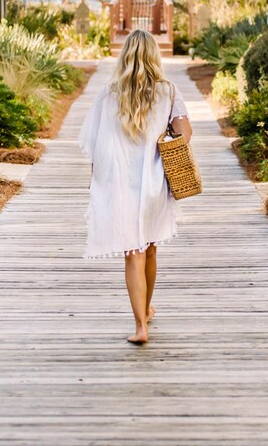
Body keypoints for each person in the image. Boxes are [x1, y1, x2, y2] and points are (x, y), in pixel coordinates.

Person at [78, 29, 192, 344]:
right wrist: (162, 139)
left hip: (118, 183)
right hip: (154, 181)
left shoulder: (109, 93)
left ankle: (140, 325)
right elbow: (185, 134)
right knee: (150, 246)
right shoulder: (168, 92)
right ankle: (145, 311)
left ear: (125, 56)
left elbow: (95, 143)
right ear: (154, 56)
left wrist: (96, 183)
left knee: (133, 252)